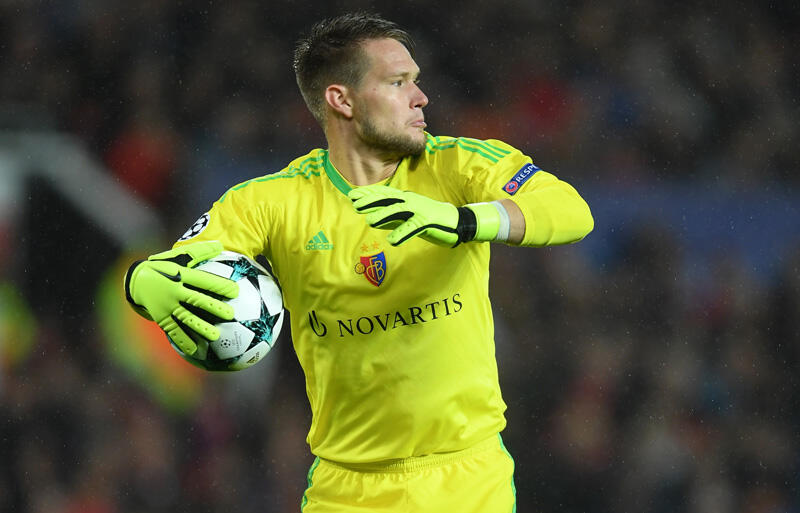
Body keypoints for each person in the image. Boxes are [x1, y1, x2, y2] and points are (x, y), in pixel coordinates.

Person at [124, 12, 593, 512]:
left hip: (468, 480)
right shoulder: (272, 201)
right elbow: (178, 264)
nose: (421, 97)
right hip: (346, 489)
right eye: (398, 82)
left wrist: (464, 221)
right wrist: (142, 282)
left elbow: (571, 210)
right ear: (341, 100)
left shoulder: (457, 165)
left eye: (416, 80)